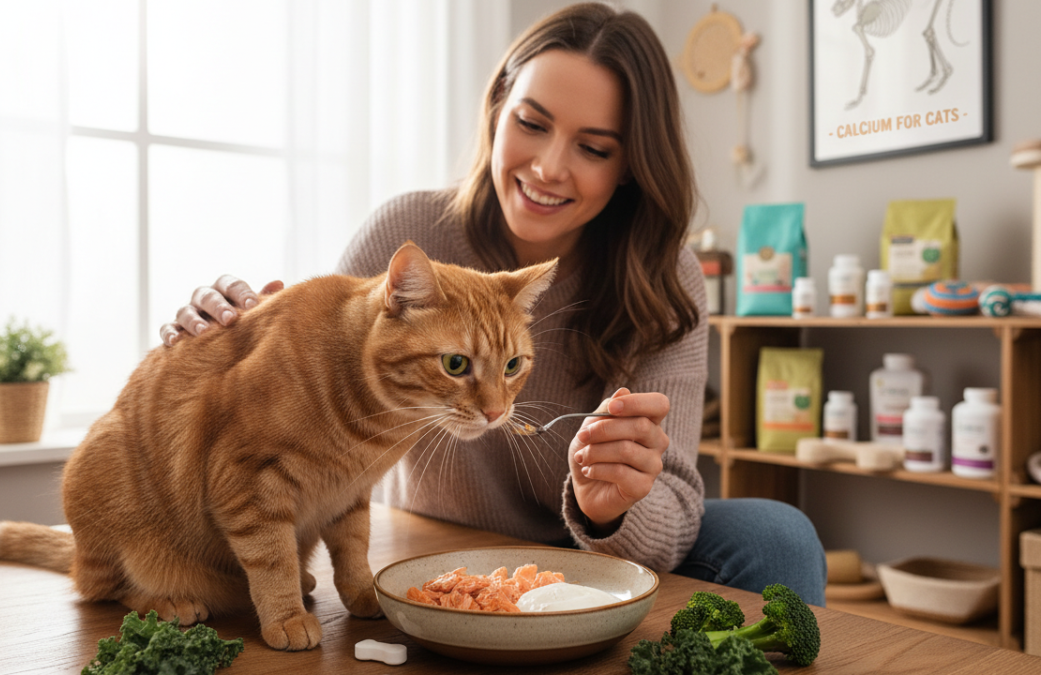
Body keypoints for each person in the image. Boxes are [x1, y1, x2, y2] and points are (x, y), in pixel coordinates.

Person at [160, 2, 827, 605]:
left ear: (628, 165)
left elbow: (675, 510)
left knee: (780, 535)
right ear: (498, 108)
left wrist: (610, 508)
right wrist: (237, 341)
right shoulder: (405, 233)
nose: (547, 167)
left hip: (591, 550)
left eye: (593, 148)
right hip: (431, 539)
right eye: (532, 124)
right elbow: (306, 398)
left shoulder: (663, 275)